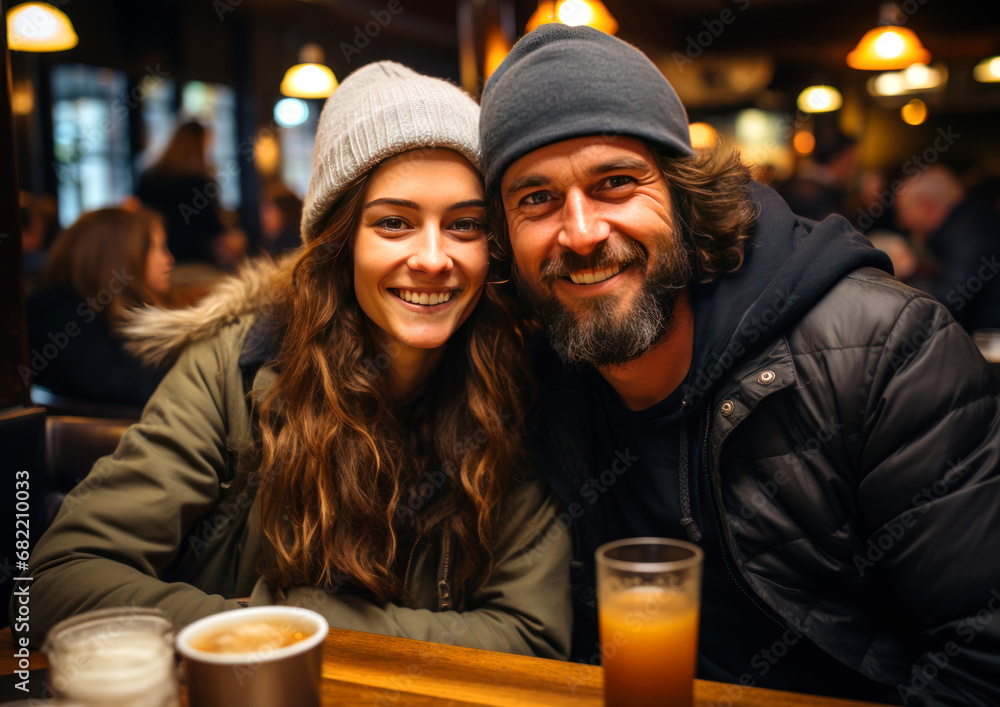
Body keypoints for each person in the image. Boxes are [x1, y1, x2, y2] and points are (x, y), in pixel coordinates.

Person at [479, 24, 999, 706]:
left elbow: (982, 661)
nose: (581, 233)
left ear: (686, 199)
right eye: (536, 199)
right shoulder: (532, 381)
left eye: (615, 182)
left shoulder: (885, 354)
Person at [17, 61, 571, 661]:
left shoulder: (515, 384)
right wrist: (271, 632)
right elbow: (58, 578)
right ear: (338, 242)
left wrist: (308, 621)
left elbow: (530, 637)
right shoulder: (233, 369)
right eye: (394, 223)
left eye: (464, 225)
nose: (434, 258)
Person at [25, 207, 174, 409]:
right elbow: (133, 385)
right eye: (160, 247)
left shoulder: (112, 309)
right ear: (123, 253)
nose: (169, 260)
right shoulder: (56, 310)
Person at [894, 164, 1000, 331]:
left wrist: (910, 270)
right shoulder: (967, 224)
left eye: (904, 211)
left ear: (926, 206)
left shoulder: (970, 234)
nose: (902, 222)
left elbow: (947, 305)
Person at [136, 120, 227, 265]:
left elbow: (141, 215)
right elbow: (213, 225)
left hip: (156, 258)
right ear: (200, 144)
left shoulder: (149, 177)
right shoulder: (200, 182)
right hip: (195, 259)